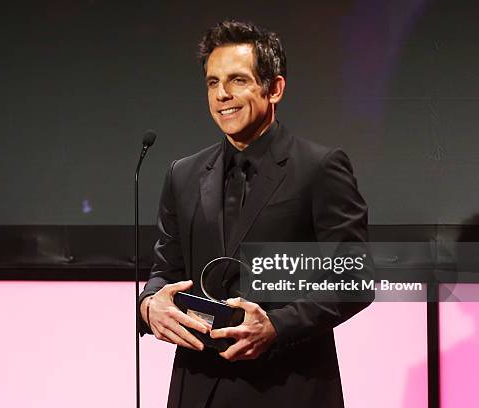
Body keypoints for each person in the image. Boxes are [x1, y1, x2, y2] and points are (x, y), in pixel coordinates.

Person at [139, 20, 371, 408]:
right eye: (213, 83)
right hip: (198, 386)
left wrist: (277, 326)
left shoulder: (320, 167)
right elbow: (167, 268)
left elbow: (353, 280)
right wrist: (149, 305)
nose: (222, 95)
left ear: (274, 88)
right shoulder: (183, 174)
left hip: (288, 387)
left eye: (238, 80)